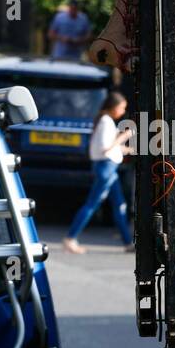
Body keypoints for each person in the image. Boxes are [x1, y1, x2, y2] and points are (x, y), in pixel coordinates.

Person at [63, 92, 133, 254]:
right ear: (114, 107)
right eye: (122, 108)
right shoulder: (105, 122)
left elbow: (109, 147)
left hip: (109, 168)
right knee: (92, 204)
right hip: (106, 168)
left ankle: (128, 243)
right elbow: (105, 147)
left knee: (119, 205)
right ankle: (70, 238)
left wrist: (128, 149)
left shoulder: (105, 122)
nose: (123, 112)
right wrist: (124, 137)